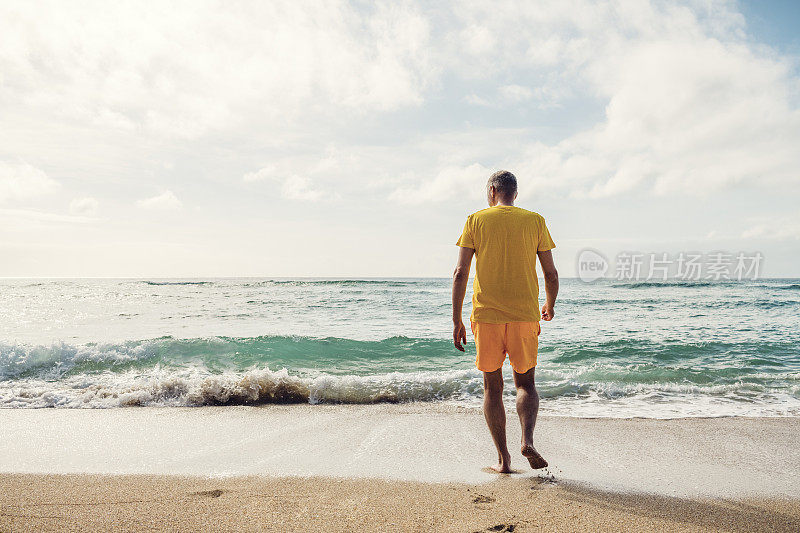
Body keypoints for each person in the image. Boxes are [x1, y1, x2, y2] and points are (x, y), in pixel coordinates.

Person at [452, 170, 559, 473]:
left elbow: (460, 273)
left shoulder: (476, 220)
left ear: (492, 191)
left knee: (492, 388)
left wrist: (457, 319)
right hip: (525, 314)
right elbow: (551, 274)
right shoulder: (534, 220)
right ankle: (527, 440)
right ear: (515, 193)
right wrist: (549, 306)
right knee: (525, 383)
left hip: (487, 316)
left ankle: (504, 459)